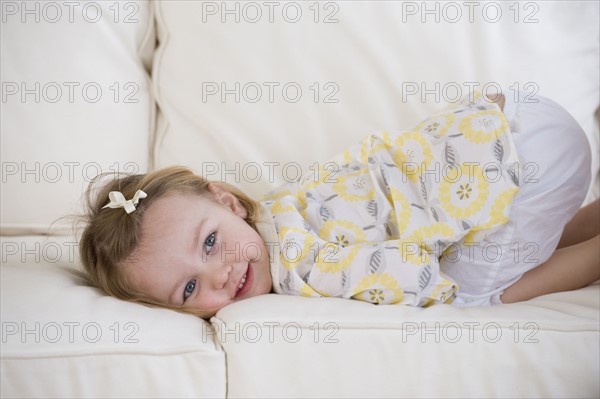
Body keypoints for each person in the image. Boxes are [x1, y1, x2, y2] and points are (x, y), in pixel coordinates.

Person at [78, 91, 599, 318]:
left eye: (211, 243)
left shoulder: (303, 267)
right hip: (511, 120)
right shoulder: (288, 203)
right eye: (190, 287)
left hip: (519, 165)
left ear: (227, 202)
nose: (220, 274)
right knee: (503, 237)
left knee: (472, 299)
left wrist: (429, 289)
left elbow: (414, 277)